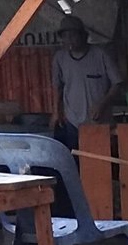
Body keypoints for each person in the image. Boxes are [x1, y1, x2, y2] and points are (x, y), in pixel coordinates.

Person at [50, 17, 122, 151]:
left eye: (73, 35)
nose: (69, 40)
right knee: (75, 158)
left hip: (99, 121)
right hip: (72, 121)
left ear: (83, 36)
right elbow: (57, 86)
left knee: (101, 158)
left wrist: (102, 105)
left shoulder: (101, 55)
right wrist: (56, 112)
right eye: (65, 36)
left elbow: (117, 83)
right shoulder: (60, 58)